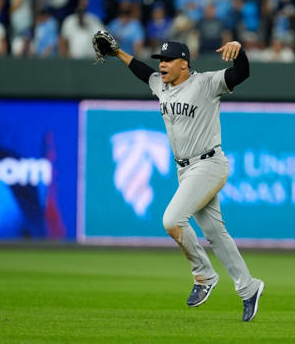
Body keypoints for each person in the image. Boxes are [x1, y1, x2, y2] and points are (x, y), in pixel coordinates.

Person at [104, 37, 265, 321]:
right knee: (216, 235)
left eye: (167, 60)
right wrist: (118, 52)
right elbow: (142, 71)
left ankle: (204, 276)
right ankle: (249, 288)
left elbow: (241, 74)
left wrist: (239, 51)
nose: (162, 65)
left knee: (172, 220)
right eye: (160, 60)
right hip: (185, 170)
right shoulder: (161, 85)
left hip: (209, 163)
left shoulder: (205, 84)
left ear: (184, 64)